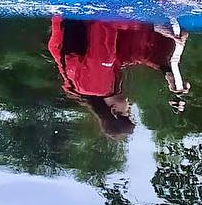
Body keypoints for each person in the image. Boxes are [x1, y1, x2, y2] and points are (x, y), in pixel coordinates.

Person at [49, 17, 190, 137]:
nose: (130, 105)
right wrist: (166, 70)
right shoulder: (105, 87)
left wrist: (152, 26)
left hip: (80, 5)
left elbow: (103, 23)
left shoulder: (96, 85)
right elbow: (129, 54)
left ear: (114, 111)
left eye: (127, 111)